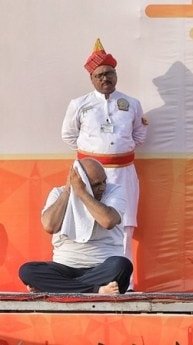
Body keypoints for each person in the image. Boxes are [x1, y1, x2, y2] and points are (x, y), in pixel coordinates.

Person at [61, 39, 148, 290]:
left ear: (116, 74)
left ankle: (125, 284)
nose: (105, 78)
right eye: (99, 75)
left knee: (124, 225)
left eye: (109, 73)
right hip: (89, 176)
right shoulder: (80, 104)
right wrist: (94, 161)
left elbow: (139, 136)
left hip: (123, 174)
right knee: (87, 223)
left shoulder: (131, 103)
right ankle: (92, 281)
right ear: (92, 79)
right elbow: (69, 136)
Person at [18, 158, 133, 294]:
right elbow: (50, 226)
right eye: (96, 184)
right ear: (81, 181)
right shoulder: (58, 193)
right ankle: (95, 290)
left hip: (102, 268)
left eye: (104, 181)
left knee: (121, 265)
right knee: (27, 271)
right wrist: (68, 191)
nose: (102, 187)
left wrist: (83, 193)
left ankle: (56, 288)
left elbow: (107, 221)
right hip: (65, 268)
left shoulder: (115, 191)